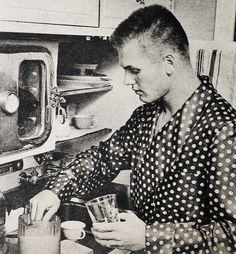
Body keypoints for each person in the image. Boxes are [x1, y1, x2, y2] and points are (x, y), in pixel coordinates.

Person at [30, 4, 236, 254]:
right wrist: (55, 190)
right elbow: (102, 159)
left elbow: (230, 234)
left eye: (134, 70)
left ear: (169, 62)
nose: (127, 81)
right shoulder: (145, 116)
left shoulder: (223, 128)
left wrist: (150, 238)